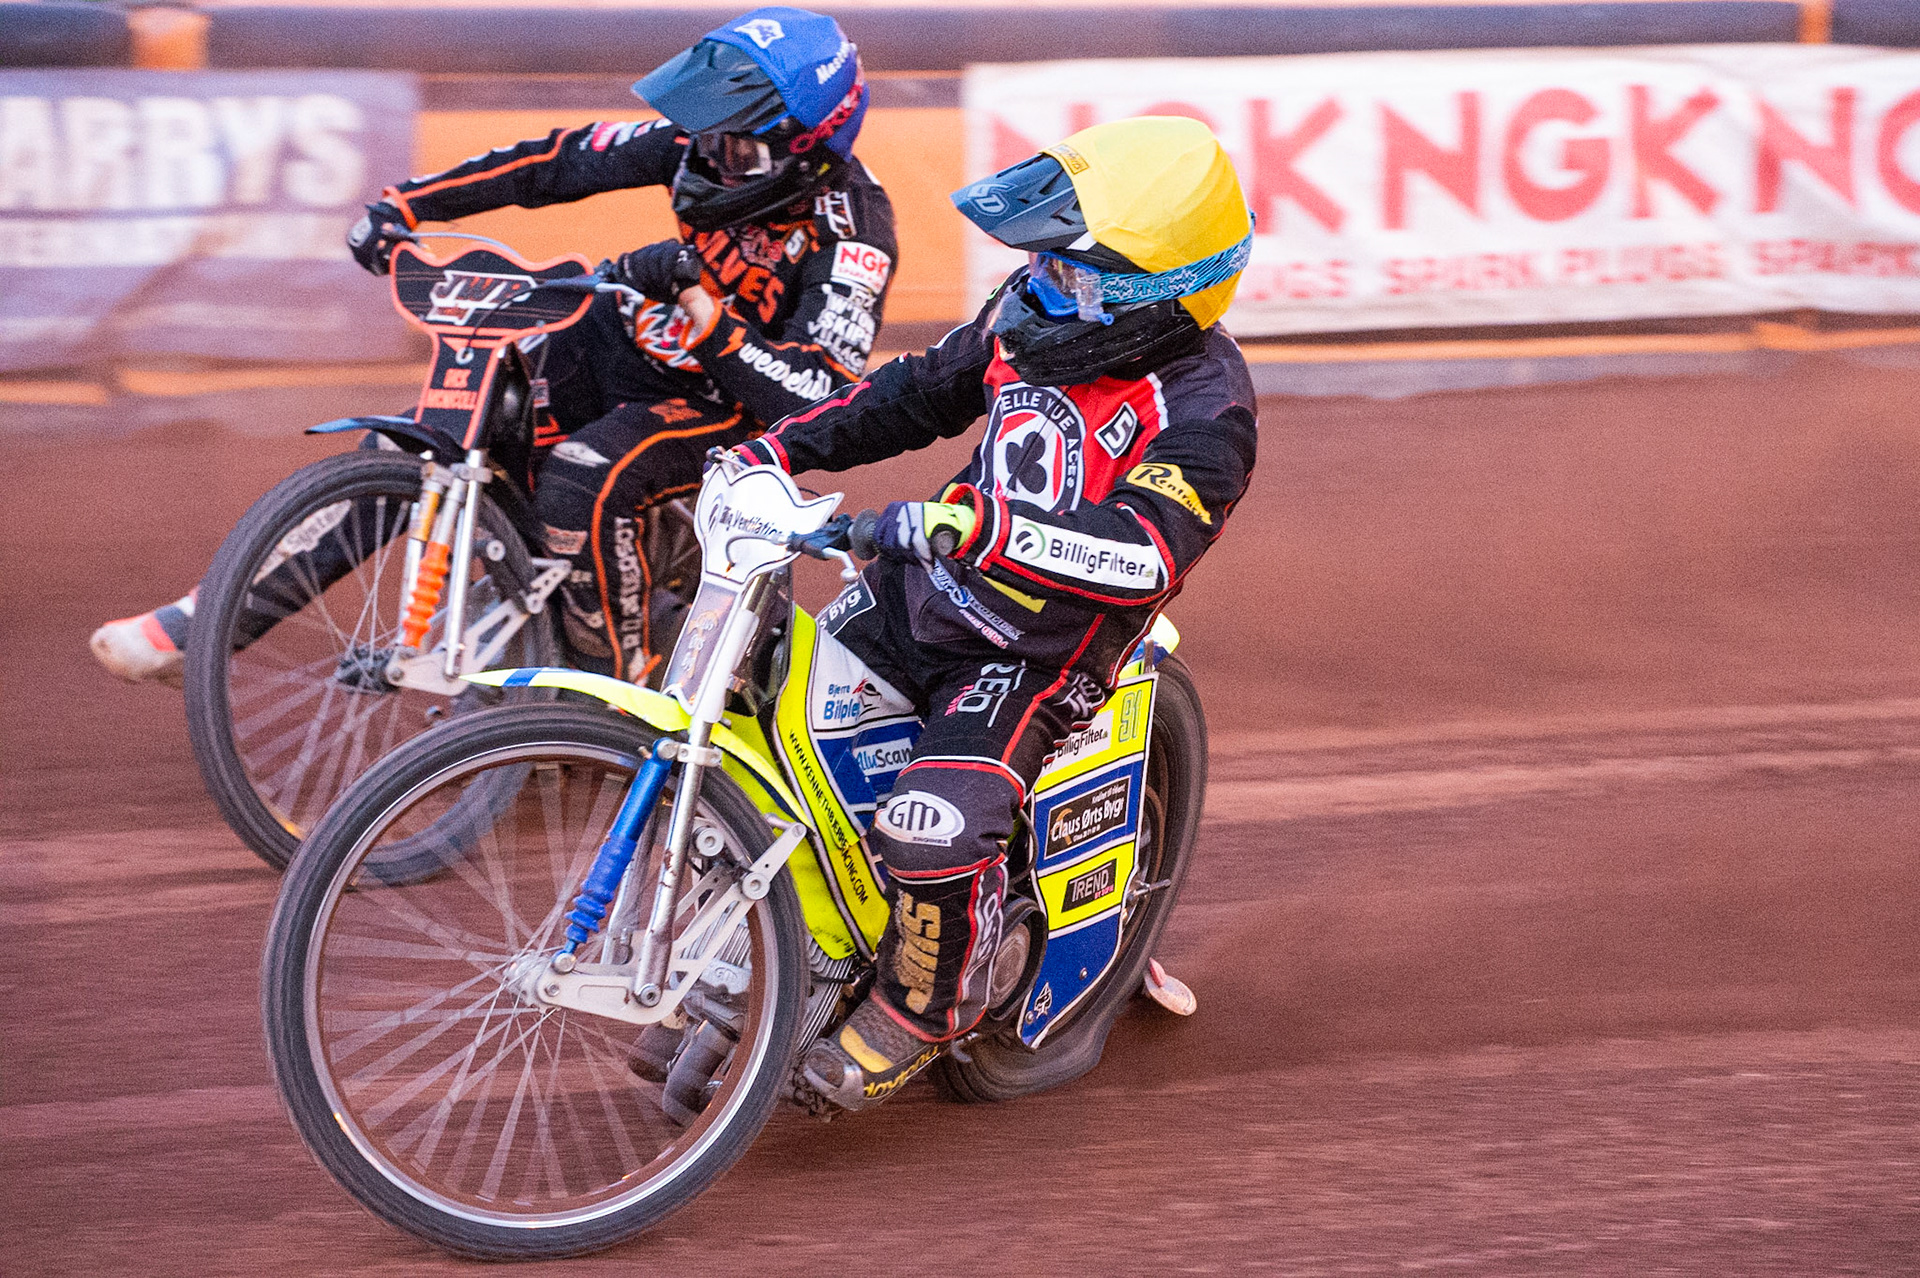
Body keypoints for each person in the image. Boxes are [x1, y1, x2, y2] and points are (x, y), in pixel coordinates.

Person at [91, 6, 895, 686]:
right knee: (437, 424)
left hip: (729, 412)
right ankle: (215, 617)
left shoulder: (853, 232)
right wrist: (410, 202)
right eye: (702, 134)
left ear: (806, 145)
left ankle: (614, 707)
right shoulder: (698, 144)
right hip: (629, 354)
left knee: (588, 476)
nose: (704, 155)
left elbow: (820, 399)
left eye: (731, 147)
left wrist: (701, 310)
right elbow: (556, 161)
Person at [728, 115, 1258, 1109]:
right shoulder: (1030, 317)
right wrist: (771, 455)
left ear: (1158, 296)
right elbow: (915, 393)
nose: (1041, 287)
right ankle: (778, 940)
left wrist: (986, 531)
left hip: (1037, 650)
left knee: (932, 824)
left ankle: (929, 1004)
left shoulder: (1205, 409)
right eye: (1042, 265)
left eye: (1071, 275)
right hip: (918, 588)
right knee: (747, 699)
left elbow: (1143, 555)